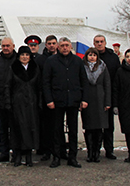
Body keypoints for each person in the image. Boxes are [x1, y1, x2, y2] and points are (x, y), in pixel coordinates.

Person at [42, 37, 87, 168]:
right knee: (57, 130)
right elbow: (46, 82)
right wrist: (49, 99)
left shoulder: (77, 61)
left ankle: (72, 157)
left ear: (70, 46)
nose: (65, 48)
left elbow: (83, 80)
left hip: (73, 100)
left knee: (73, 130)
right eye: (62, 45)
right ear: (58, 47)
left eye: (67, 45)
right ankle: (56, 156)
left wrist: (83, 99)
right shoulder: (51, 61)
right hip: (57, 101)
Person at [5, 45, 42, 167]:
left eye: (27, 55)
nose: (25, 57)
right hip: (18, 103)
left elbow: (39, 87)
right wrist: (8, 102)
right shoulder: (13, 68)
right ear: (18, 56)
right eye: (22, 55)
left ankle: (29, 156)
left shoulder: (35, 68)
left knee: (31, 129)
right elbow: (8, 86)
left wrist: (40, 102)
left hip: (32, 104)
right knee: (17, 130)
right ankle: (18, 155)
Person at [81, 48, 110, 163]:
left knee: (98, 129)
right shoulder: (82, 67)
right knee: (88, 128)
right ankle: (90, 152)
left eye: (94, 55)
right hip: (87, 99)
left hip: (100, 100)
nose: (92, 57)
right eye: (90, 55)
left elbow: (107, 84)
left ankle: (97, 152)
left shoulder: (103, 67)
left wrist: (107, 102)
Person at [93, 34, 120, 160]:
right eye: (97, 42)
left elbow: (117, 76)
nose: (99, 44)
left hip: (110, 94)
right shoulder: (91, 56)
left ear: (105, 42)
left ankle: (109, 150)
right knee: (96, 125)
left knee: (109, 125)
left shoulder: (112, 57)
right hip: (95, 96)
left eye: (101, 41)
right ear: (94, 43)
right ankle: (95, 150)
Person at [34, 35, 57, 160]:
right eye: (49, 43)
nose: (52, 45)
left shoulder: (61, 58)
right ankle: (46, 151)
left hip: (59, 96)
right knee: (46, 126)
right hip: (45, 98)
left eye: (54, 43)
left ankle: (59, 150)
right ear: (46, 45)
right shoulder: (41, 60)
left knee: (57, 126)